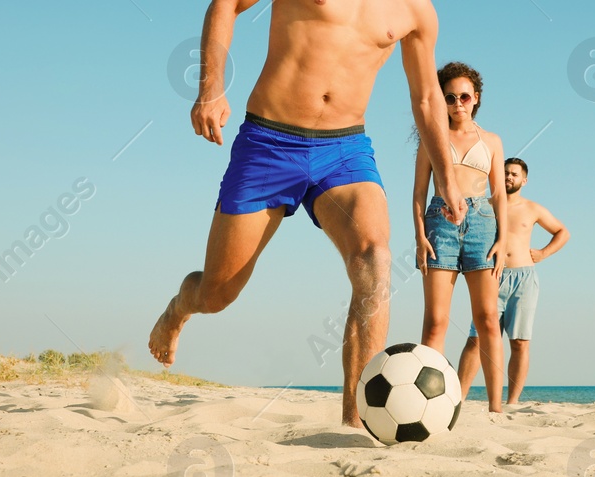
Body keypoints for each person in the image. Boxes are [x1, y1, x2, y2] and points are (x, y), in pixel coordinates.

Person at [148, 0, 466, 429]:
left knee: (375, 258)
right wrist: (211, 88)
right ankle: (177, 311)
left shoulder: (416, 11)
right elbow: (226, 4)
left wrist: (446, 175)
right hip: (269, 142)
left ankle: (356, 421)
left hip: (345, 149)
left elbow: (427, 96)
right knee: (217, 293)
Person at [413, 62, 511, 412]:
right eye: (450, 97)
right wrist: (419, 235)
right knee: (436, 320)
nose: (458, 103)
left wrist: (503, 239)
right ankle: (428, 404)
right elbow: (418, 194)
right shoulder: (431, 139)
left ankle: (496, 409)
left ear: (476, 99)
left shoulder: (493, 141)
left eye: (464, 97)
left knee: (487, 319)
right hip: (440, 224)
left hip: (483, 225)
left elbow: (499, 194)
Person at [457, 157, 568, 405]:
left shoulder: (533, 208)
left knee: (519, 342)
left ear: (524, 180)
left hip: (524, 279)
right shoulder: (484, 206)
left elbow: (563, 232)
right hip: (491, 276)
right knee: (476, 339)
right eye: (505, 172)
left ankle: (512, 402)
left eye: (514, 174)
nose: (508, 177)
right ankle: (459, 398)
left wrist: (543, 253)